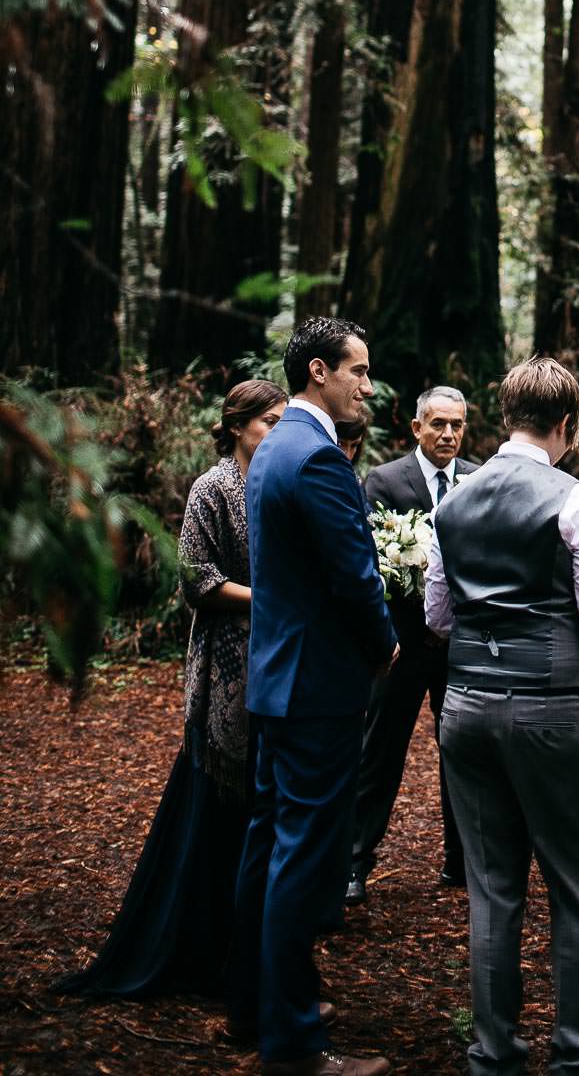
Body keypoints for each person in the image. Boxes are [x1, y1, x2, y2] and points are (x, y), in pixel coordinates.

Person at [425, 355, 579, 1076]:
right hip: (551, 709)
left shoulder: (449, 505)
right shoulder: (573, 500)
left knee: (492, 889)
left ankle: (494, 1053)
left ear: (505, 416)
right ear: (566, 425)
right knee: (573, 889)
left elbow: (437, 615)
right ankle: (577, 1055)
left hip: (466, 709)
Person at [60, 378, 286, 999]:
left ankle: (247, 948)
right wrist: (272, 601)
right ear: (237, 425)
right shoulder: (212, 487)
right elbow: (196, 579)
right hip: (224, 664)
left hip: (277, 658)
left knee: (259, 812)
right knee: (215, 803)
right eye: (268, 421)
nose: (275, 432)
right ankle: (195, 948)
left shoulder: (275, 483)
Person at [228, 318, 397, 1076]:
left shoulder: (271, 450)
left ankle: (255, 1006)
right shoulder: (320, 457)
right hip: (317, 687)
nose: (368, 385)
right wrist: (386, 644)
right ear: (320, 371)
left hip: (275, 677)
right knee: (299, 857)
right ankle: (293, 1043)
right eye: (359, 372)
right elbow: (354, 576)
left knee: (267, 846)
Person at [345, 385, 477, 905]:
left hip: (460, 646)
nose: (448, 434)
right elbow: (369, 559)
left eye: (457, 425)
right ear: (416, 428)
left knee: (463, 753)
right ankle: (354, 861)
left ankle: (462, 859)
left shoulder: (478, 479)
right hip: (401, 643)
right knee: (379, 751)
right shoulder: (384, 481)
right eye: (438, 424)